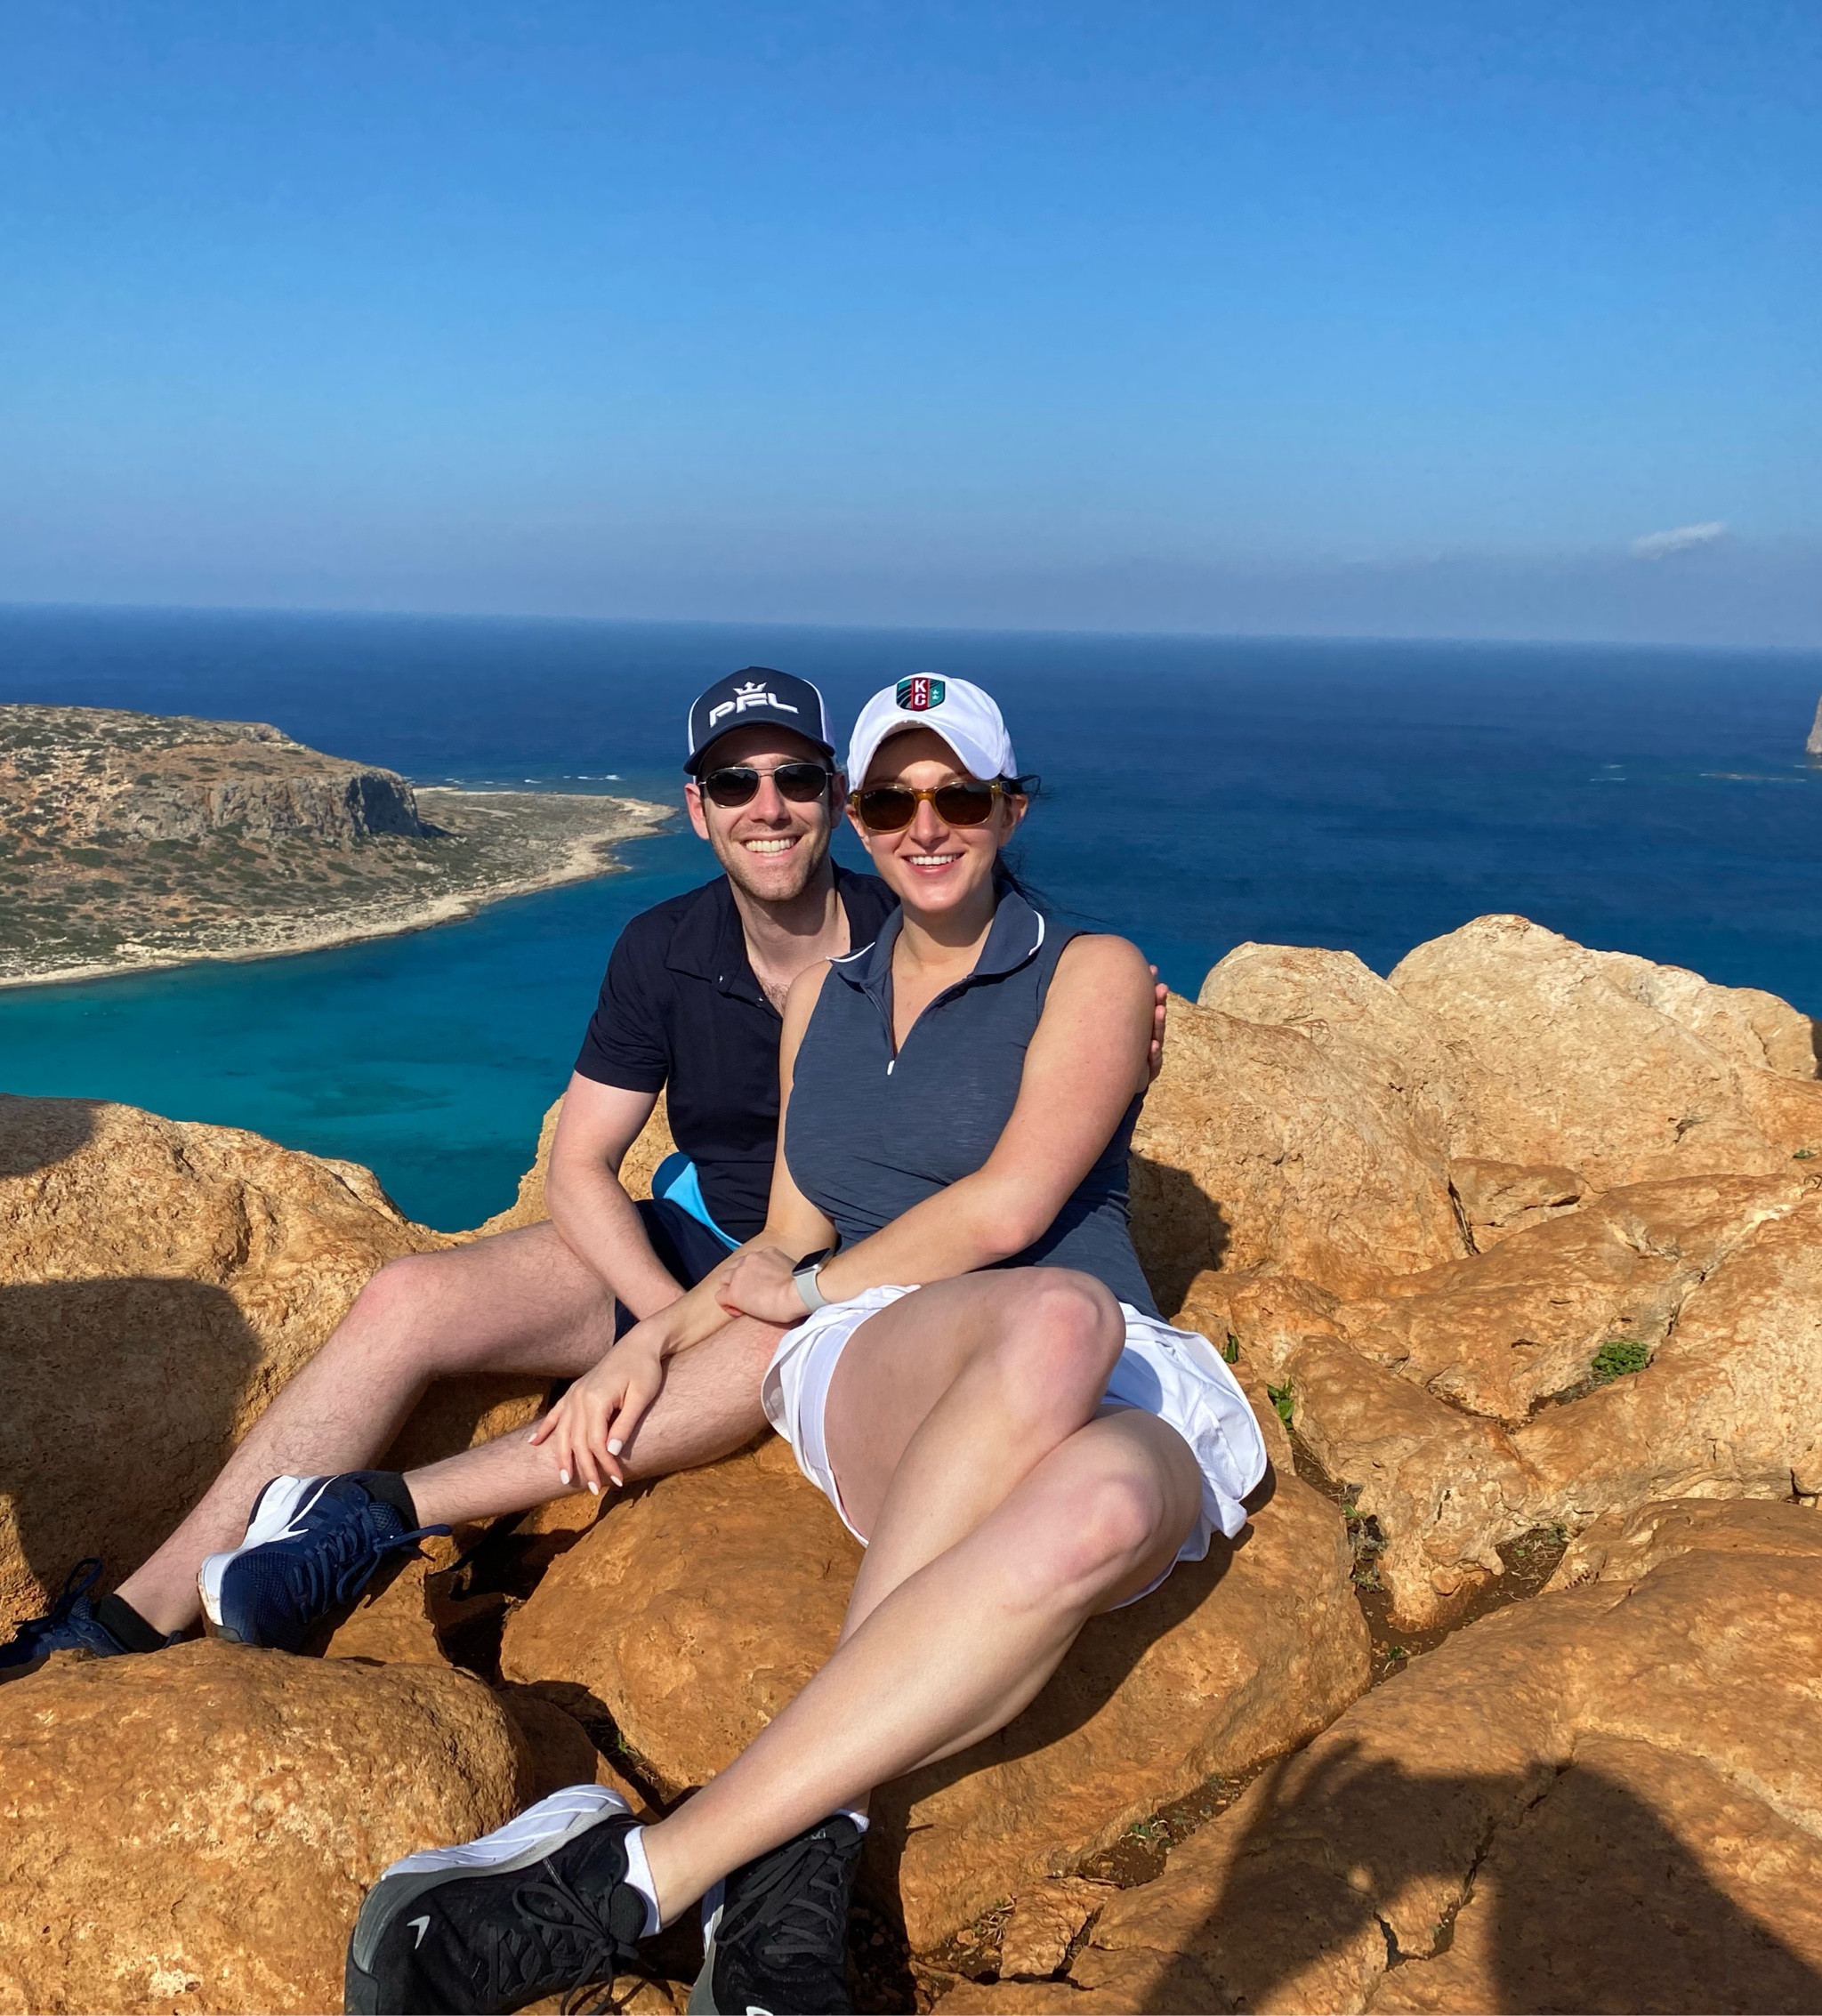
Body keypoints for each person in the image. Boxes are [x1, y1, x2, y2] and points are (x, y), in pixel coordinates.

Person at [343, 677, 1268, 2016]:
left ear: (1011, 808)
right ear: (860, 812)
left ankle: (665, 1869)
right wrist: (654, 1338)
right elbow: (781, 1241)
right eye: (893, 798)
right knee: (1046, 1318)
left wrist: (806, 1277)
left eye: (959, 795)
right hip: (885, 1354)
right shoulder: (822, 1002)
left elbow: (1013, 1210)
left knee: (1113, 1486)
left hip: (1103, 1356)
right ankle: (717, 1869)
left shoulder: (1096, 970)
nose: (924, 823)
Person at [0, 669, 899, 1671]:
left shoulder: (908, 943)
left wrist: (693, 1336)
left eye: (795, 778)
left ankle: (369, 1516)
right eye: (734, 783)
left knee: (763, 1344)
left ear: (837, 794)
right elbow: (581, 1165)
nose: (766, 807)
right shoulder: (664, 947)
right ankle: (127, 1619)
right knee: (406, 1296)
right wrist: (656, 1323)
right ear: (697, 809)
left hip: (831, 1274)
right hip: (696, 1244)